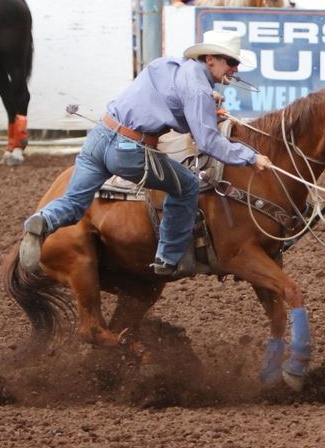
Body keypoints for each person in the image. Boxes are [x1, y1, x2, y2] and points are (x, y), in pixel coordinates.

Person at [19, 31, 272, 277]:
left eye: (236, 63)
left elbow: (169, 102)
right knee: (186, 186)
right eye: (231, 62)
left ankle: (43, 220)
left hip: (99, 136)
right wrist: (251, 157)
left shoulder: (167, 65)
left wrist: (206, 103)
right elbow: (207, 142)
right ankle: (169, 257)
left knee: (74, 202)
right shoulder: (198, 90)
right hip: (129, 149)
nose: (235, 69)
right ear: (210, 59)